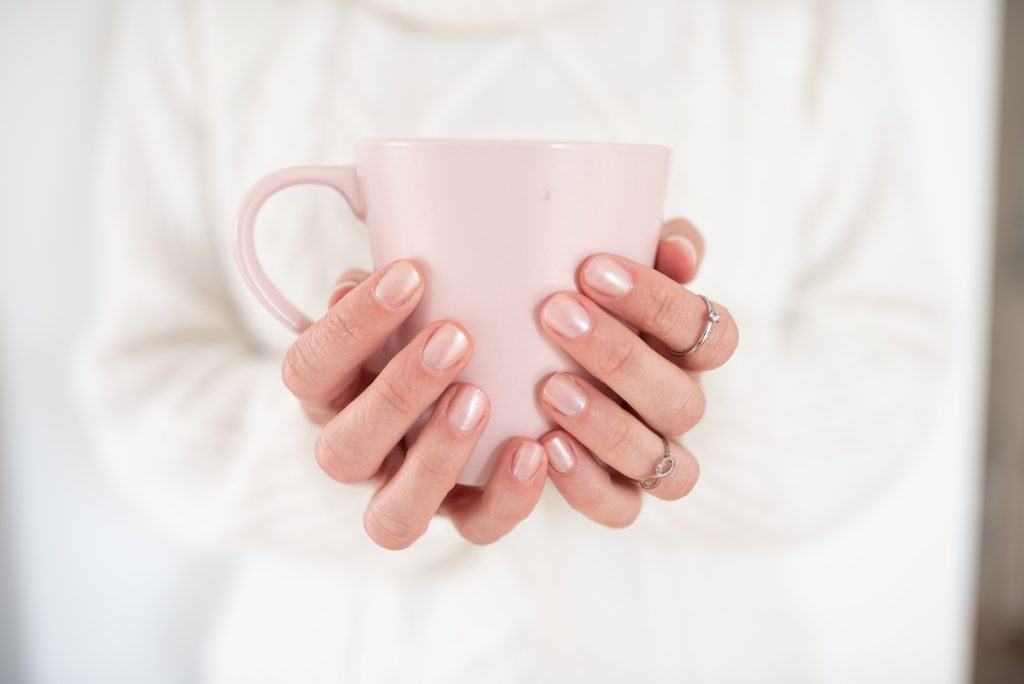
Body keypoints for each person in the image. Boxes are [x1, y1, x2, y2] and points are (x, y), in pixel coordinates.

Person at [78, 0, 946, 681]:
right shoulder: (201, 14)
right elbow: (142, 375)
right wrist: (341, 447)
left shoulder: (795, 14)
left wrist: (679, 431)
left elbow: (890, 354)